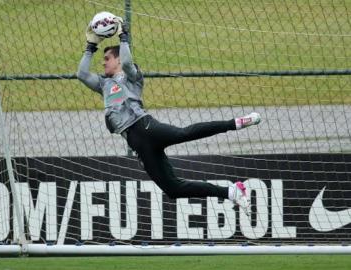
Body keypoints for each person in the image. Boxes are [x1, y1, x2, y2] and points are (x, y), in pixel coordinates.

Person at [77, 17, 261, 216]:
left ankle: (236, 123)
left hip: (144, 127)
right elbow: (82, 74)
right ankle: (231, 192)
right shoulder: (104, 85)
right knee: (173, 189)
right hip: (138, 144)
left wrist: (123, 37)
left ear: (118, 60)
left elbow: (128, 62)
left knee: (184, 134)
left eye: (107, 59)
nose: (103, 63)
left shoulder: (131, 76)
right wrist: (90, 46)